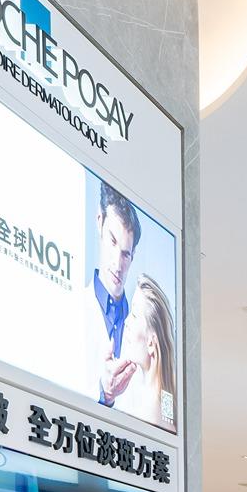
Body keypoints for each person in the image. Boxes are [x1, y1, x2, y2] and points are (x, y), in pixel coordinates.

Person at [89, 183, 142, 409]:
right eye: (112, 242)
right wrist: (104, 393)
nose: (118, 264)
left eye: (125, 254)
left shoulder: (141, 330)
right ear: (99, 221)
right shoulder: (73, 307)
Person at [115, 275, 178, 429]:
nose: (126, 322)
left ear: (151, 342)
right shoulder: (166, 404)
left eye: (134, 315)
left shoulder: (149, 413)